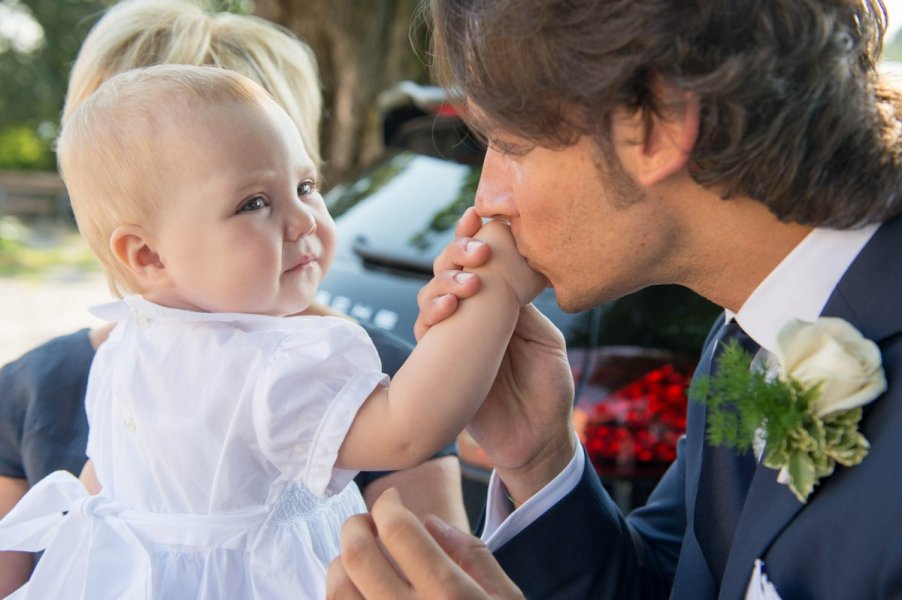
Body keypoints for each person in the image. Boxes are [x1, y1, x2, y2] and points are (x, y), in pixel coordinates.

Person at [327, 0, 902, 598]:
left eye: (511, 143)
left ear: (658, 125)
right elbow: (674, 583)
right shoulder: (750, 324)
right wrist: (540, 458)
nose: (488, 198)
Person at [0, 65, 543, 598]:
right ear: (148, 255)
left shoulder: (127, 346)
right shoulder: (272, 363)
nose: (305, 219)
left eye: (306, 186)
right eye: (254, 203)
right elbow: (405, 429)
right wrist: (494, 293)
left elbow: (110, 486)